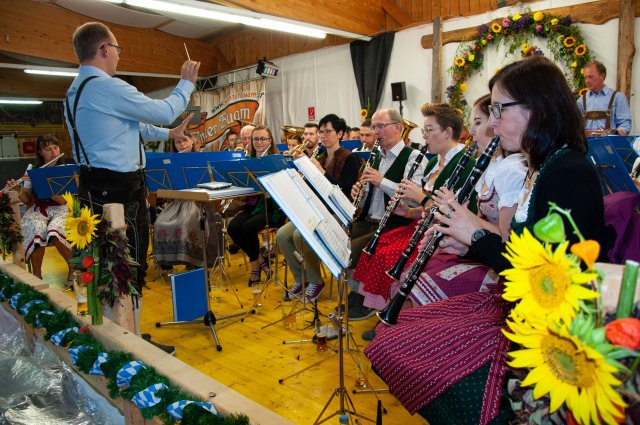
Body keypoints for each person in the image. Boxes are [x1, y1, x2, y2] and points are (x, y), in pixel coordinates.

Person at [365, 56, 608, 424]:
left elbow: (547, 281)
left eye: (498, 109)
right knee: (389, 340)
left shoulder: (567, 172)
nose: (492, 123)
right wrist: (470, 241)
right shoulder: (545, 164)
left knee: (397, 348)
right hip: (518, 311)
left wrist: (475, 233)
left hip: (545, 335)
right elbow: (522, 252)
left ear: (538, 107)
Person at [64, 21, 199, 354]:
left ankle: (126, 335)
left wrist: (169, 135)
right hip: (120, 191)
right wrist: (186, 83)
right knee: (128, 266)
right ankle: (128, 345)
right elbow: (165, 109)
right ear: (105, 49)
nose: (119, 57)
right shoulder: (107, 86)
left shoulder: (76, 90)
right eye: (118, 49)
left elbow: (131, 127)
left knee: (108, 267)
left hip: (93, 187)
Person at [351, 103, 477, 324]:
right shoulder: (433, 165)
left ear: (447, 132)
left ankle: (400, 317)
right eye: (424, 131)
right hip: (420, 226)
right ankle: (388, 313)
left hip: (446, 236)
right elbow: (422, 210)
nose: (424, 136)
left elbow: (452, 212)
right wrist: (409, 210)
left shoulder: (463, 163)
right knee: (382, 249)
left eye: (429, 130)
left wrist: (419, 198)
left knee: (387, 255)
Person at [407, 94, 526, 307]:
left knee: (423, 283)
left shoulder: (512, 169)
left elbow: (505, 240)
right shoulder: (490, 166)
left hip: (503, 271)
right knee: (417, 273)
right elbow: (479, 222)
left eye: (478, 123)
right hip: (482, 254)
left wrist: (456, 217)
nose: (470, 132)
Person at [346, 108, 426, 318]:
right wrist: (359, 193)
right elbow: (369, 194)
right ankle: (355, 294)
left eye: (381, 126)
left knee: (353, 250)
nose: (376, 132)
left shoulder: (414, 157)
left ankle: (363, 300)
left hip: (395, 223)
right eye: (374, 127)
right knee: (337, 241)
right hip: (369, 219)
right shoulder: (375, 156)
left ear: (398, 128)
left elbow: (412, 197)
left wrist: (382, 181)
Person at [276, 114, 360, 301]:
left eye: (327, 131)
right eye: (321, 132)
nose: (323, 135)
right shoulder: (319, 155)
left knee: (300, 235)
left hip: (336, 213)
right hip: (316, 209)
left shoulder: (350, 158)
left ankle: (316, 280)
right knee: (282, 234)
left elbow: (345, 190)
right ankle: (301, 278)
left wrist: (320, 172)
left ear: (340, 134)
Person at [4, 135, 72, 282]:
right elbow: (27, 199)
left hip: (62, 208)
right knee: (34, 225)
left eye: (56, 148)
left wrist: (42, 182)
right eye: (48, 149)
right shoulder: (32, 169)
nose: (54, 152)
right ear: (40, 152)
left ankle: (73, 268)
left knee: (55, 229)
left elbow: (63, 200)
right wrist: (17, 190)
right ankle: (36, 275)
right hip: (39, 209)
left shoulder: (65, 169)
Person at [227, 126, 283, 286]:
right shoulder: (248, 161)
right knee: (233, 227)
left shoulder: (275, 161)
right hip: (252, 207)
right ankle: (260, 259)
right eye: (256, 139)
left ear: (270, 141)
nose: (259, 142)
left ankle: (255, 268)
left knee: (248, 228)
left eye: (262, 139)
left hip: (273, 210)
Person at [153, 137, 219, 269]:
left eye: (185, 141)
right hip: (178, 202)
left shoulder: (201, 158)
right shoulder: (170, 162)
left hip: (199, 202)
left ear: (192, 141)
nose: (182, 144)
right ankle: (167, 261)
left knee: (186, 223)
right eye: (178, 142)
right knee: (160, 223)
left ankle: (193, 261)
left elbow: (212, 180)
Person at [576, 60, 632, 135]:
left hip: (610, 144)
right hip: (587, 144)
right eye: (585, 77)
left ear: (602, 76)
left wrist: (618, 131)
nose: (587, 81)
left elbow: (625, 123)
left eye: (590, 77)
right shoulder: (581, 100)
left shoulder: (618, 98)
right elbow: (576, 125)